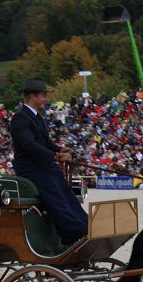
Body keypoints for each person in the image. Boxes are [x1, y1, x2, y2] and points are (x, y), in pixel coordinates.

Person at [9, 77, 88, 246]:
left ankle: (84, 225)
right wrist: (54, 156)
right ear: (32, 97)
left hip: (43, 164)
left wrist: (59, 150)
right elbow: (29, 145)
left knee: (66, 191)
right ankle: (73, 233)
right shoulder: (20, 118)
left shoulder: (38, 117)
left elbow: (45, 144)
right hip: (30, 167)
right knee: (55, 194)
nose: (46, 100)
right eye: (43, 96)